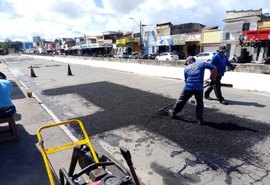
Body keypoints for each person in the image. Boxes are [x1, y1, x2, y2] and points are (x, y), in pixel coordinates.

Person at [169, 56, 217, 125]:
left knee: (181, 100)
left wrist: (190, 91)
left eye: (187, 63)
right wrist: (213, 79)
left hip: (188, 87)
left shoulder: (186, 68)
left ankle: (173, 112)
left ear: (188, 61)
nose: (187, 64)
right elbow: (214, 67)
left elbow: (186, 80)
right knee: (199, 103)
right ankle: (200, 120)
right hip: (199, 88)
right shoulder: (202, 63)